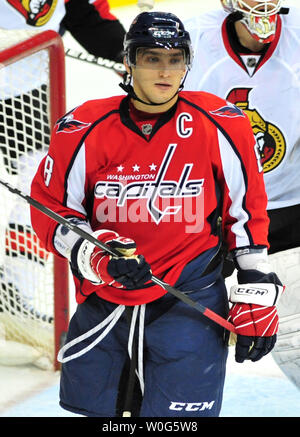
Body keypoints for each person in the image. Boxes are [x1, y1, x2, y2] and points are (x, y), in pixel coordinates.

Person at [30, 11, 283, 418]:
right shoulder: (83, 127)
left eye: (175, 59)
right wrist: (97, 256)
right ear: (128, 63)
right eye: (151, 58)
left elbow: (246, 208)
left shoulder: (221, 123)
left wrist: (255, 278)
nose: (166, 71)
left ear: (187, 64)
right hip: (105, 303)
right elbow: (52, 213)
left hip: (190, 299)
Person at [183, 0, 300, 390]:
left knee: (293, 332)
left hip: (286, 208)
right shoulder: (192, 35)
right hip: (206, 210)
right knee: (180, 329)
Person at [0, 0, 128, 330]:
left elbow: (88, 15)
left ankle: (15, 290)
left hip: (25, 92)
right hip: (20, 79)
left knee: (38, 184)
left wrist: (124, 53)